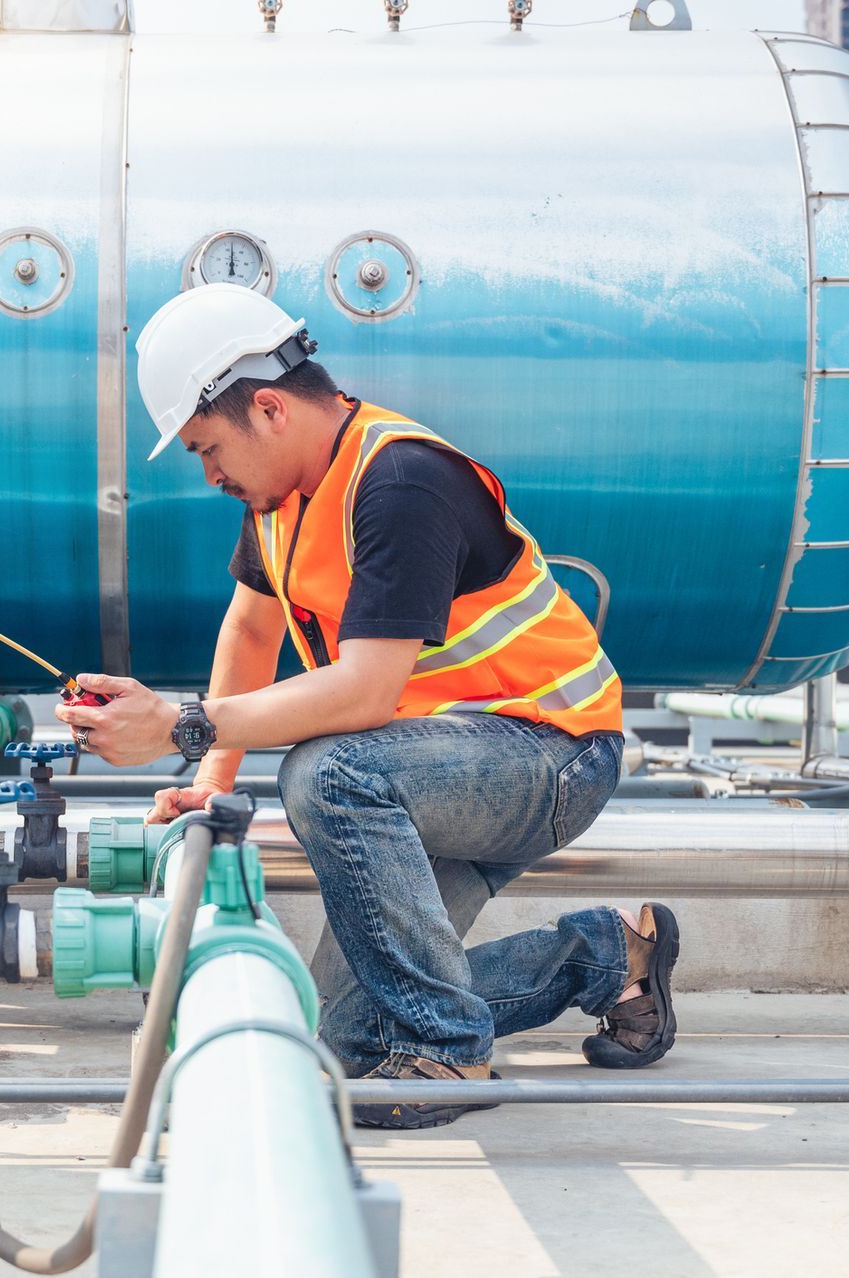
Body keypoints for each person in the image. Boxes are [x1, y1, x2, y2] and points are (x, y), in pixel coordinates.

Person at [56, 284, 680, 1129]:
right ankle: (608, 955)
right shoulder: (278, 501)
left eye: (208, 449)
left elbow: (365, 691)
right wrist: (212, 779)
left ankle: (452, 1059)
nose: (208, 476)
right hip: (435, 771)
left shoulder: (400, 481)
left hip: (549, 754)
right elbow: (250, 631)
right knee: (344, 1039)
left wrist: (179, 722)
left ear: (268, 408)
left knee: (328, 771)